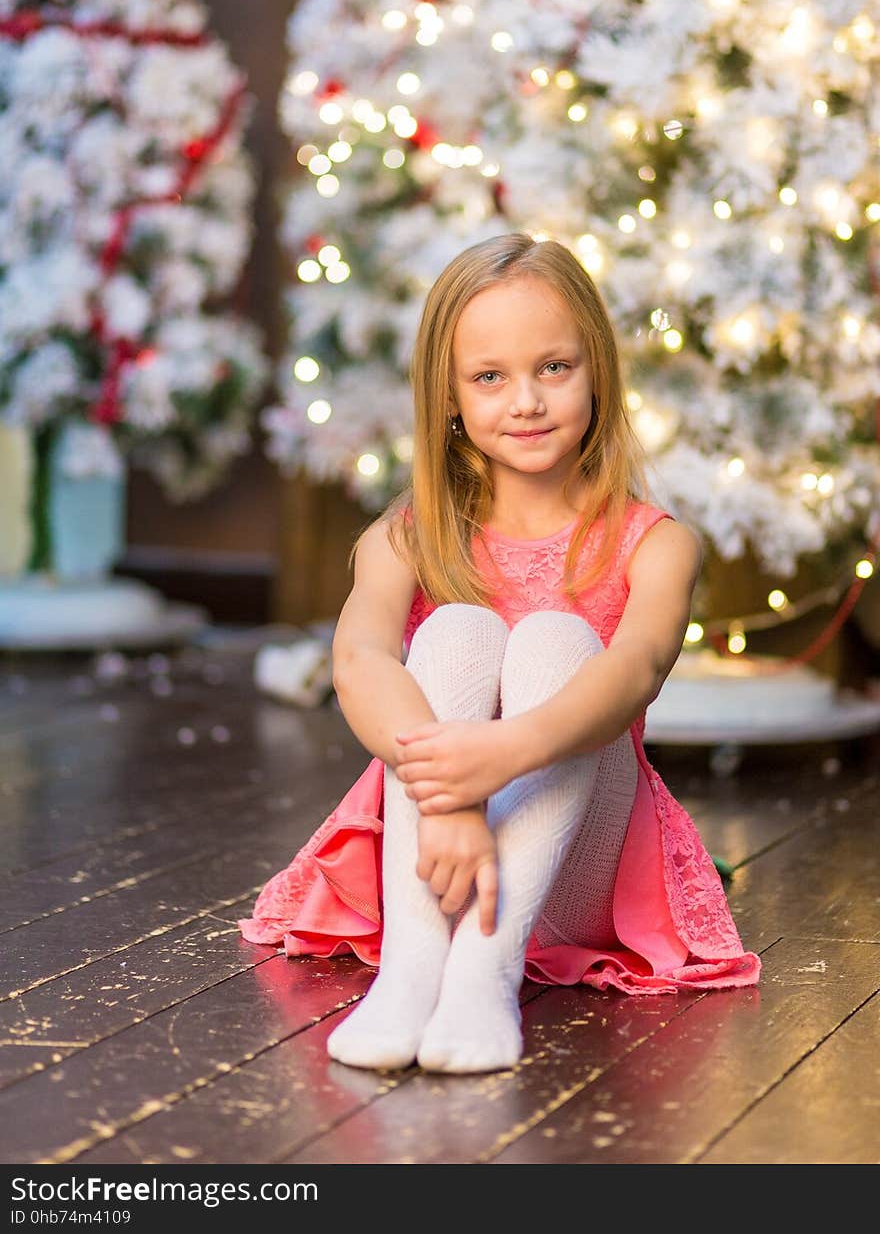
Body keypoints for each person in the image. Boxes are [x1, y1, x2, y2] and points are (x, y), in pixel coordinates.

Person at [239, 233, 760, 1075]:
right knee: (456, 631)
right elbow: (360, 662)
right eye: (490, 377)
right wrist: (450, 797)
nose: (526, 400)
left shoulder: (654, 544)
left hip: (576, 874)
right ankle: (413, 973)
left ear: (598, 372)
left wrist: (502, 754)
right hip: (434, 856)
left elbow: (635, 672)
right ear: (448, 396)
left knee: (559, 639)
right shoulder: (404, 538)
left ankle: (482, 974)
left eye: (554, 367)